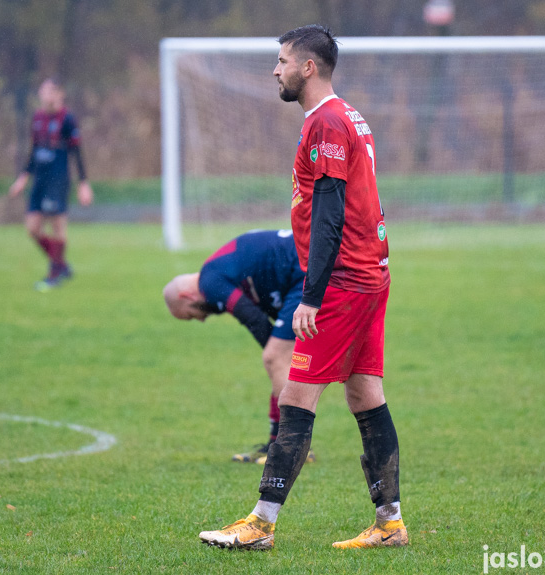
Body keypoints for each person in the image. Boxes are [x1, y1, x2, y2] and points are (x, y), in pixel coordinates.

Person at [199, 25, 406, 551]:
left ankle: (260, 525)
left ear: (307, 67)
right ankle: (389, 524)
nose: (276, 69)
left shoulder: (328, 123)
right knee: (364, 393)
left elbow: (331, 212)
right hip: (368, 274)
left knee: (296, 395)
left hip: (343, 280)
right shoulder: (342, 116)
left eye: (283, 60)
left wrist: (311, 295)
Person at [163, 229, 315, 465]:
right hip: (304, 265)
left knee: (275, 358)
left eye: (191, 315)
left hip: (303, 270)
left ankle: (293, 447)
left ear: (186, 296)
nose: (201, 319)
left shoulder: (209, 281)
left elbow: (253, 318)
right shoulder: (216, 272)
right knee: (277, 360)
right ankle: (279, 442)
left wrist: (278, 354)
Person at [9, 78, 93, 291]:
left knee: (57, 227)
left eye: (48, 92)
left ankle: (54, 273)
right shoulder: (37, 118)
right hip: (39, 180)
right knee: (32, 229)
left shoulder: (67, 119)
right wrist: (23, 177)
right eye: (42, 92)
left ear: (59, 94)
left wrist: (83, 183)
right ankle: (61, 265)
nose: (43, 96)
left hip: (58, 180)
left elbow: (77, 152)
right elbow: (34, 150)